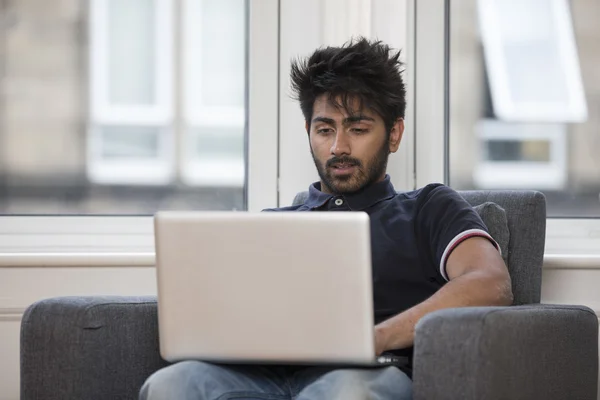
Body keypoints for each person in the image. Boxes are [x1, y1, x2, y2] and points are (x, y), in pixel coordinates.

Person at [140, 37, 513, 400]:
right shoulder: (272, 226)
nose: (338, 147)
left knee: (343, 392)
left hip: (369, 374)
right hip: (266, 379)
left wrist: (376, 337)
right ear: (309, 132)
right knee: (171, 384)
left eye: (358, 128)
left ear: (394, 134)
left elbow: (490, 283)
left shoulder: (429, 208)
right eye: (324, 130)